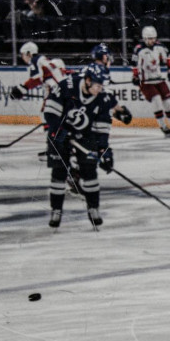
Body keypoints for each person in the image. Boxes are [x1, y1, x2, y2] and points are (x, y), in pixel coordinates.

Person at [42, 63, 117, 228]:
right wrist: (59, 131)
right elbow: (50, 113)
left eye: (102, 86)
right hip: (60, 132)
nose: (100, 89)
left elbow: (102, 129)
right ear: (88, 80)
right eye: (98, 85)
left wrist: (104, 150)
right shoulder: (66, 86)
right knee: (59, 172)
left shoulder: (103, 97)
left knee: (89, 170)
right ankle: (56, 210)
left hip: (86, 135)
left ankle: (93, 208)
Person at [133, 26, 170, 137]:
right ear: (145, 38)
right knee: (156, 101)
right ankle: (163, 126)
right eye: (150, 38)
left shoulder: (160, 47)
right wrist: (135, 76)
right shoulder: (139, 49)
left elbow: (168, 59)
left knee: (168, 103)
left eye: (154, 38)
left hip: (159, 79)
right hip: (146, 82)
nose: (152, 40)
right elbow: (135, 65)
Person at [88, 42, 133, 125]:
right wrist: (120, 110)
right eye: (107, 56)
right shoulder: (102, 71)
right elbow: (104, 97)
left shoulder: (90, 67)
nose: (109, 59)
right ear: (103, 57)